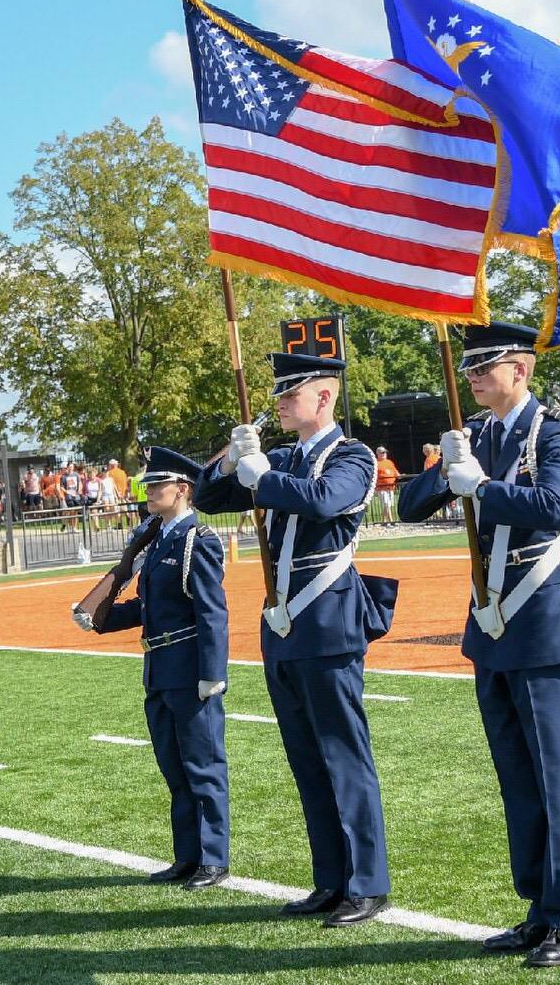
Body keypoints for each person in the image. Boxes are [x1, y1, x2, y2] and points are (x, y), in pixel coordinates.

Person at [397, 321, 560, 966]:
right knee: (516, 776)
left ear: (519, 369)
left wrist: (483, 489)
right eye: (467, 366)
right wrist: (446, 469)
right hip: (491, 623)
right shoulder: (479, 437)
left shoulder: (555, 430)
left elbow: (554, 504)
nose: (471, 376)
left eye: (484, 365)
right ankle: (538, 908)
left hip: (544, 619)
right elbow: (410, 507)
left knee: (555, 774)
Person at [195, 350, 396, 927]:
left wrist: (264, 477)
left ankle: (367, 882)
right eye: (278, 393)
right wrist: (232, 458)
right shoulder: (278, 456)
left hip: (329, 620)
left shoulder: (351, 455)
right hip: (283, 626)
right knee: (307, 759)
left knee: (343, 754)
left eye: (291, 393)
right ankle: (330, 880)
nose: (280, 401)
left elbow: (326, 501)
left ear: (324, 397)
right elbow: (208, 497)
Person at [85, 447, 231, 890]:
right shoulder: (160, 540)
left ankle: (212, 858)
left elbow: (211, 612)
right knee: (174, 767)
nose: (148, 491)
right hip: (158, 667)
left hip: (188, 667)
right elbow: (152, 607)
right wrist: (102, 616)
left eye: (157, 485)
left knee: (202, 766)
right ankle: (186, 856)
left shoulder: (196, 540)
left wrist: (212, 671)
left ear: (182, 490)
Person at [372, 446, 400, 525]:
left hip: (390, 487)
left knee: (389, 504)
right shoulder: (376, 463)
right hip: (381, 487)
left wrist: (399, 475)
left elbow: (395, 472)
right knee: (386, 503)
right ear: (377, 453)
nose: (384, 454)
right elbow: (373, 476)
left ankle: (384, 521)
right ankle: (391, 520)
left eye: (385, 452)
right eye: (382, 452)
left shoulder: (389, 462)